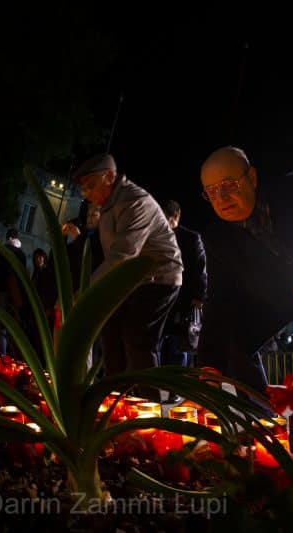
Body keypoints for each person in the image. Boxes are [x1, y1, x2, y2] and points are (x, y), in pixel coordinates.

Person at [197, 146, 293, 392]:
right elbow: (219, 299)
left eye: (229, 185)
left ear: (252, 177)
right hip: (266, 300)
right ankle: (258, 408)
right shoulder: (216, 236)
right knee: (234, 342)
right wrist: (209, 366)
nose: (222, 198)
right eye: (212, 191)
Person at [70, 153, 182, 402]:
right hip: (131, 280)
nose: (86, 194)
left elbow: (123, 255)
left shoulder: (134, 201)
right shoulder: (108, 206)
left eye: (90, 186)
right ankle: (118, 399)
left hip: (159, 277)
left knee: (137, 338)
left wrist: (86, 292)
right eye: (83, 189)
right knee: (110, 333)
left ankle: (151, 402)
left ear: (109, 176)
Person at [160, 199, 207, 403]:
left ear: (176, 216)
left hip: (183, 299)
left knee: (179, 345)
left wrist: (199, 296)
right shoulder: (157, 236)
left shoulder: (191, 238)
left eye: (166, 218)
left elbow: (200, 268)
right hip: (161, 298)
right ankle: (165, 383)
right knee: (162, 343)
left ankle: (177, 387)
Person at [0, 228, 28, 357]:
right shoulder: (21, 254)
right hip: (16, 293)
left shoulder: (3, 252)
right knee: (13, 325)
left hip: (2, 291)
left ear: (9, 238)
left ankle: (3, 355)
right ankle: (13, 355)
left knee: (1, 325)